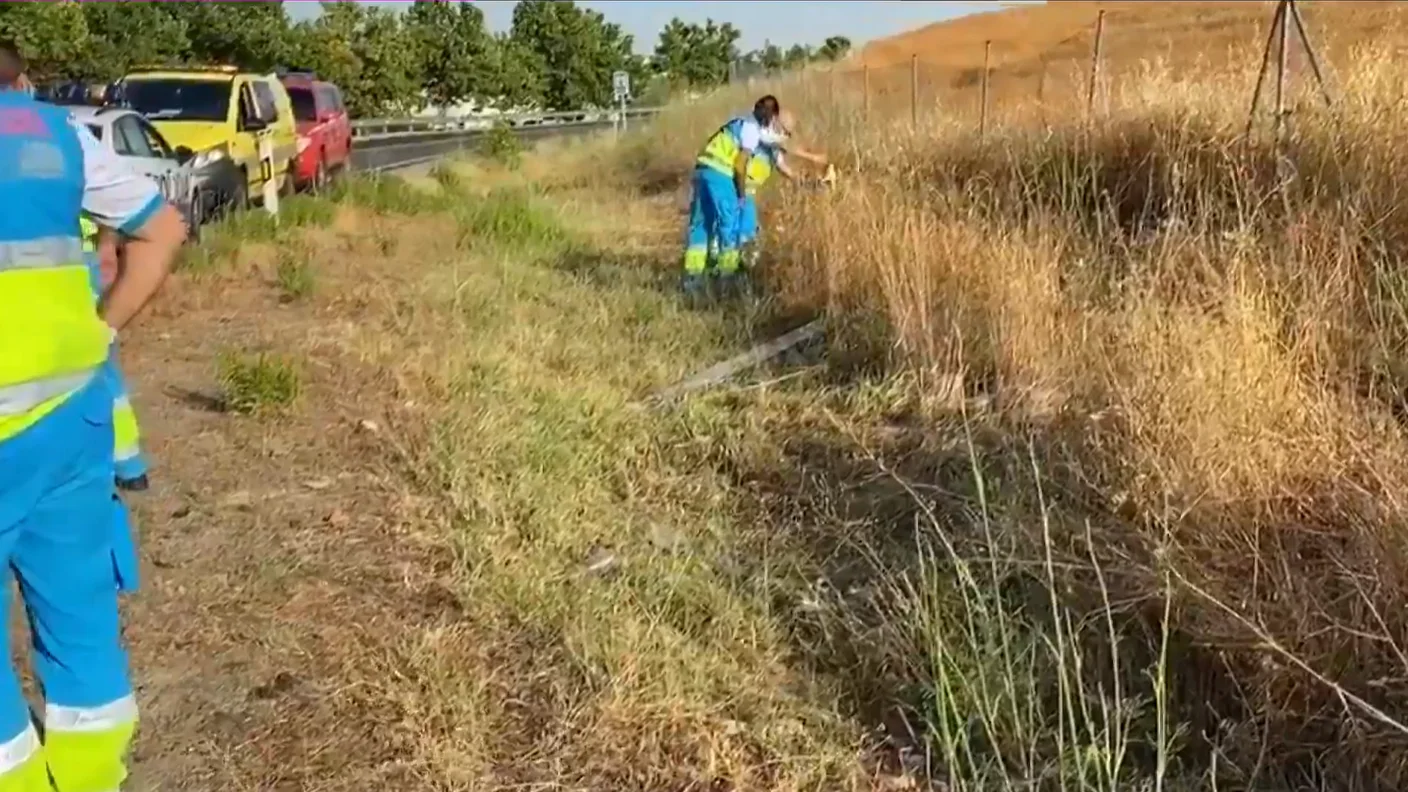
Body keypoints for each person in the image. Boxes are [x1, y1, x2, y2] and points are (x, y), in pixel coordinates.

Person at [0, 40, 186, 792]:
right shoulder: (57, 133)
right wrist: (102, 332)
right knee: (79, 619)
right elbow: (162, 231)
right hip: (68, 416)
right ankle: (87, 779)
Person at [681, 95, 780, 297]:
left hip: (702, 169)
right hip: (720, 173)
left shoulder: (738, 121)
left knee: (700, 224)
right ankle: (728, 278)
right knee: (729, 224)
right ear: (771, 117)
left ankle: (693, 279)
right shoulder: (751, 130)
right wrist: (741, 194)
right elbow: (740, 164)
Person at [80, 216, 151, 492]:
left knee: (97, 362)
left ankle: (123, 463)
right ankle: (128, 463)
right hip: (80, 261)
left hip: (76, 265)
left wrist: (106, 249)